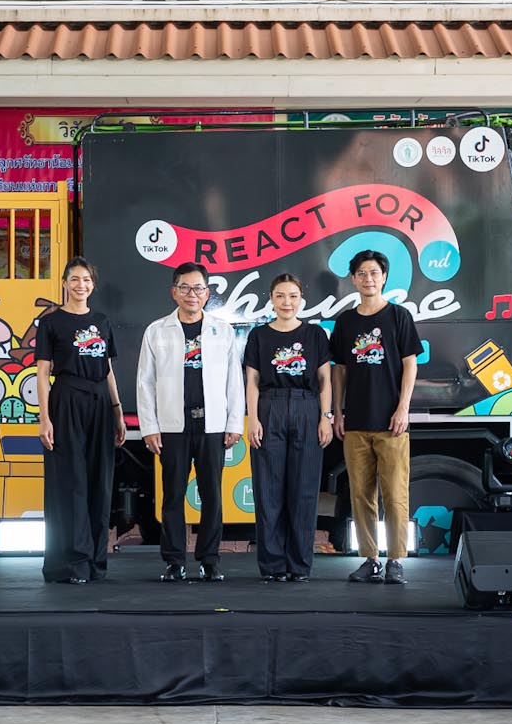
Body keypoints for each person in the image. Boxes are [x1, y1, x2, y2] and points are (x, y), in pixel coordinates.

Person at [136, 263, 244, 582]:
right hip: (173, 426)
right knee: (172, 496)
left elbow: (234, 380)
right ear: (174, 292)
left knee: (212, 496)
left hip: (212, 426)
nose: (191, 294)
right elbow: (145, 382)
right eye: (185, 287)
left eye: (198, 288)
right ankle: (174, 561)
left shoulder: (222, 330)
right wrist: (149, 427)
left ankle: (210, 560)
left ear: (207, 294)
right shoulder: (157, 331)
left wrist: (234, 422)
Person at [330, 250, 419, 585]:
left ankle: (395, 560)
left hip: (391, 423)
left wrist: (403, 408)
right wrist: (337, 412)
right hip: (355, 423)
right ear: (354, 279)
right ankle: (370, 559)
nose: (368, 279)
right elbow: (339, 370)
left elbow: (410, 364)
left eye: (374, 273)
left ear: (384, 277)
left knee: (395, 494)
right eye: (362, 273)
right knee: (361, 495)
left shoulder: (398, 316)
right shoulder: (345, 322)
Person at [35, 257, 126, 585]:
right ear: (64, 283)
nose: (80, 285)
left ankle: (95, 562)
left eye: (86, 279)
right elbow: (42, 373)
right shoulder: (51, 323)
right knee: (70, 481)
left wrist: (118, 411)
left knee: (100, 481)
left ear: (93, 284)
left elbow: (108, 369)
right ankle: (72, 563)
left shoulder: (102, 321)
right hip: (67, 400)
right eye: (74, 279)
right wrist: (45, 418)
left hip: (100, 402)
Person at [244, 274, 332, 582]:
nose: (287, 302)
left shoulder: (315, 334)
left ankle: (299, 565)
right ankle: (272, 566)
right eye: (280, 296)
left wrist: (326, 416)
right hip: (270, 407)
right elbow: (252, 381)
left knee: (304, 490)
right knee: (268, 490)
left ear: (301, 299)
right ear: (271, 299)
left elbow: (325, 380)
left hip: (307, 407)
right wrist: (253, 418)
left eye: (293, 296)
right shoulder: (259, 336)